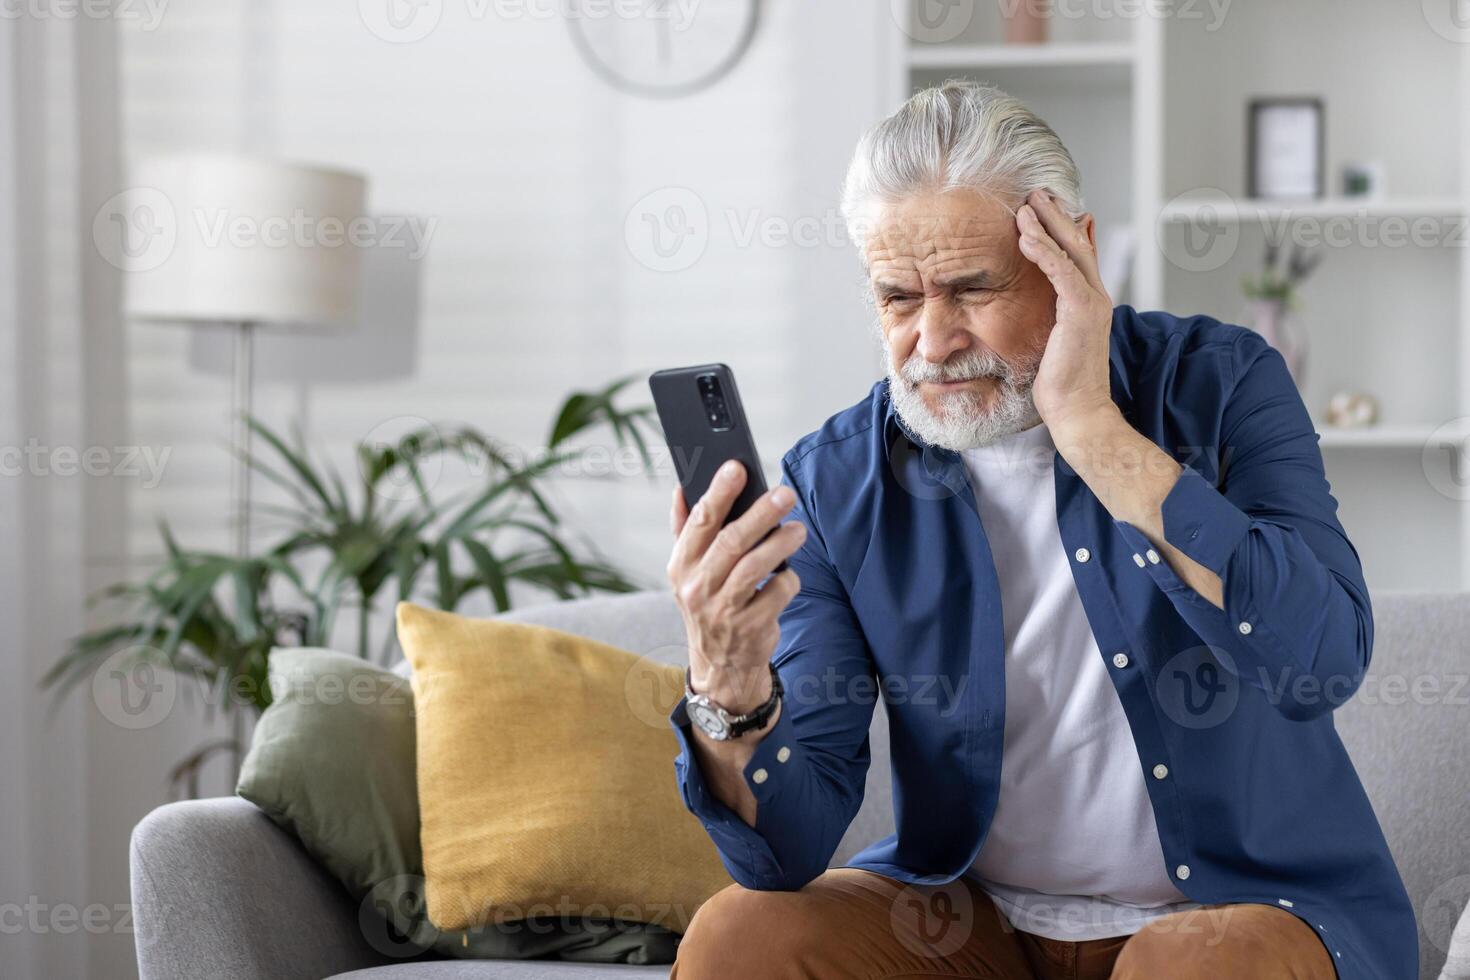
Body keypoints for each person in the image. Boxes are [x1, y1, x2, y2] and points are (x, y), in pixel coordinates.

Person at [663, 81, 1414, 980]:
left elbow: (1320, 659)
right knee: (738, 936)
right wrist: (728, 686)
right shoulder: (835, 480)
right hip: (970, 922)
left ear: (1073, 253)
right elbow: (781, 855)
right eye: (898, 298)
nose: (933, 343)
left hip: (1239, 910)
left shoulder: (1221, 381)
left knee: (1192, 964)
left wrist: (1093, 429)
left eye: (972, 289)